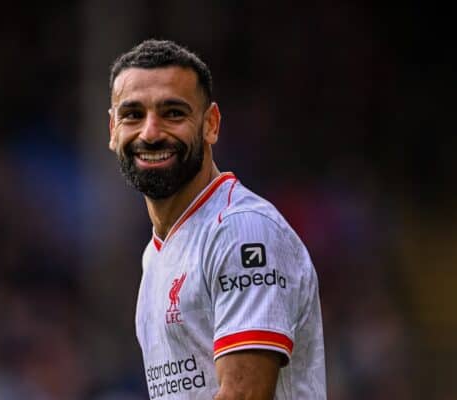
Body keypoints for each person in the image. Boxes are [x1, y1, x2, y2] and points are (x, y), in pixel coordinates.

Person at [108, 39, 326, 399]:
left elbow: (244, 394)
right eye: (133, 115)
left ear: (210, 124)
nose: (150, 132)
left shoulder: (242, 231)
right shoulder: (157, 254)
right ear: (113, 130)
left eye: (173, 113)